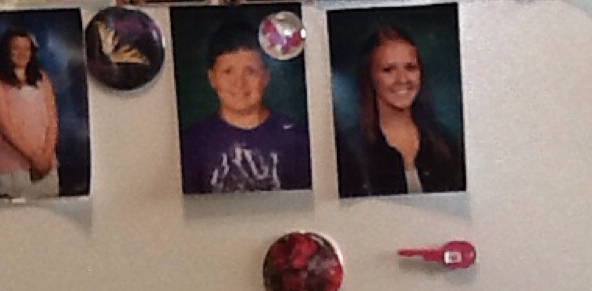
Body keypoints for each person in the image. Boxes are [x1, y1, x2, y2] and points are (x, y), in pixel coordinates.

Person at [180, 22, 311, 194]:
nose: (239, 83)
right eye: (228, 72)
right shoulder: (192, 143)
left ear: (266, 77)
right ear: (212, 78)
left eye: (250, 71)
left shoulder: (298, 139)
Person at [336, 26, 465, 198]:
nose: (402, 79)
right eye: (388, 70)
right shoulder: (349, 150)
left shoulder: (445, 142)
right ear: (370, 76)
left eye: (410, 67)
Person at [0, 28, 60, 199]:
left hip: (46, 164)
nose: (22, 53)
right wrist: (33, 157)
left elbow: (52, 120)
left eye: (26, 48)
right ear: (7, 51)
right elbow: (5, 127)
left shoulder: (43, 79)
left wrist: (46, 156)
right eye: (16, 48)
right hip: (14, 164)